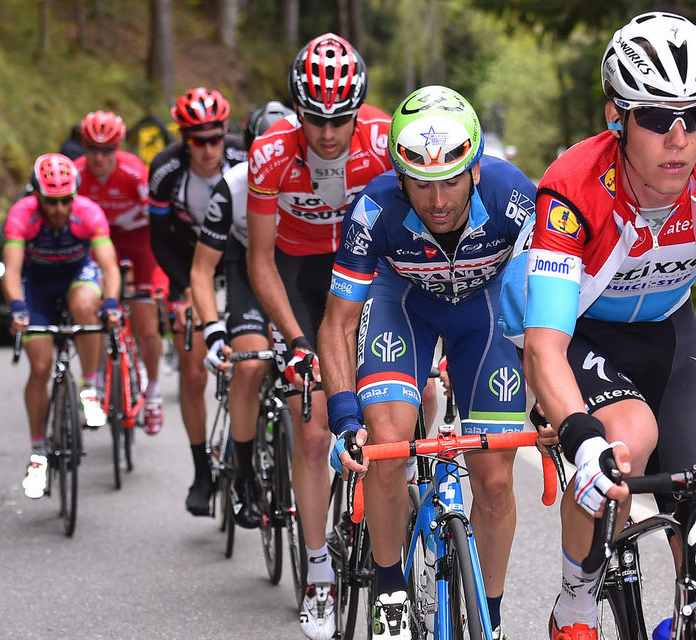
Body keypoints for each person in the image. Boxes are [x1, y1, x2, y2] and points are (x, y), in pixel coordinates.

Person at [501, 12, 696, 639]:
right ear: (617, 115)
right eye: (655, 116)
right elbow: (545, 347)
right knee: (624, 439)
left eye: (695, 114)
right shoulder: (574, 186)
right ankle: (576, 603)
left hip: (667, 333)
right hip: (578, 334)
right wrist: (578, 436)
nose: (678, 137)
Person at [320, 85, 536, 640]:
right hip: (404, 306)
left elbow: (544, 309)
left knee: (494, 481)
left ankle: (490, 616)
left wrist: (551, 402)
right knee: (388, 446)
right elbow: (339, 322)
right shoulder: (375, 208)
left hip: (484, 315)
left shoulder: (516, 197)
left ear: (476, 170)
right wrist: (344, 417)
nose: (437, 201)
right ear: (400, 178)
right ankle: (389, 588)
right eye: (421, 184)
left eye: (451, 182)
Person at [245, 33, 393, 640]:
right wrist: (295, 340)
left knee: (407, 406)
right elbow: (259, 260)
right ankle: (318, 574)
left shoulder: (384, 140)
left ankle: (390, 516)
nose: (328, 134)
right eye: (315, 119)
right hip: (301, 275)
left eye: (340, 119)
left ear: (358, 110)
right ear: (296, 111)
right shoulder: (269, 153)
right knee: (311, 430)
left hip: (368, 272)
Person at [189, 101, 296, 529]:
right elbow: (201, 270)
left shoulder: (319, 178)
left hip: (296, 268)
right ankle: (245, 477)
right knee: (250, 364)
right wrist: (213, 331)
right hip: (247, 267)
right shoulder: (232, 187)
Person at [148, 87, 247, 515]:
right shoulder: (165, 170)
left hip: (238, 258)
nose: (208, 150)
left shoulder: (243, 156)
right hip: (187, 263)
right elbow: (158, 240)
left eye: (215, 138)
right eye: (198, 141)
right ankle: (201, 471)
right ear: (184, 140)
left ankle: (247, 448)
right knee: (192, 370)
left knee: (252, 353)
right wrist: (184, 287)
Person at [1, 153, 122, 499]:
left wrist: (110, 303)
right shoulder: (22, 214)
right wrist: (16, 308)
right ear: (36, 196)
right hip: (36, 285)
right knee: (40, 367)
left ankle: (89, 389)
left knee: (85, 307)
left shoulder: (88, 212)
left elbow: (108, 266)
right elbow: (12, 270)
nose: (59, 209)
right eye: (51, 201)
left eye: (66, 200)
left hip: (76, 275)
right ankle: (38, 451)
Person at [75, 110, 168, 435]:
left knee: (146, 325)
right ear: (84, 148)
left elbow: (158, 223)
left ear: (118, 149)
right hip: (99, 245)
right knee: (91, 307)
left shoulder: (134, 173)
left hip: (138, 241)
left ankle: (152, 392)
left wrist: (159, 274)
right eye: (92, 149)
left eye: (107, 150)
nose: (99, 157)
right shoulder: (76, 175)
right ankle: (98, 377)